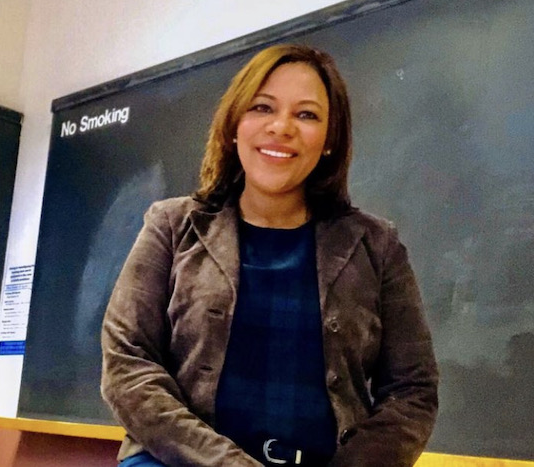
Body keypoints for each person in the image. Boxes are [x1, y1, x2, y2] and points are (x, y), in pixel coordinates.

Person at [100, 44, 438, 467]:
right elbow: (127, 364)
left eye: (307, 114)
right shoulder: (170, 225)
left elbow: (413, 390)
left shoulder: (377, 245)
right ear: (234, 126)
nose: (281, 127)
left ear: (330, 140)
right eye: (262, 107)